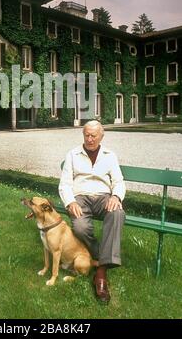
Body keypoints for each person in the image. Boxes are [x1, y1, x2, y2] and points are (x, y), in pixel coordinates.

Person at [59, 120, 125, 303]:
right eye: (86, 135)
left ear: (101, 137)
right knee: (79, 227)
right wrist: (71, 202)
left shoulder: (110, 155)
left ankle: (101, 271)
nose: (89, 139)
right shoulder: (72, 154)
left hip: (104, 197)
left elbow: (119, 182)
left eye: (93, 136)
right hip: (81, 198)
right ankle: (102, 256)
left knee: (117, 213)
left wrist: (116, 197)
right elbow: (65, 184)